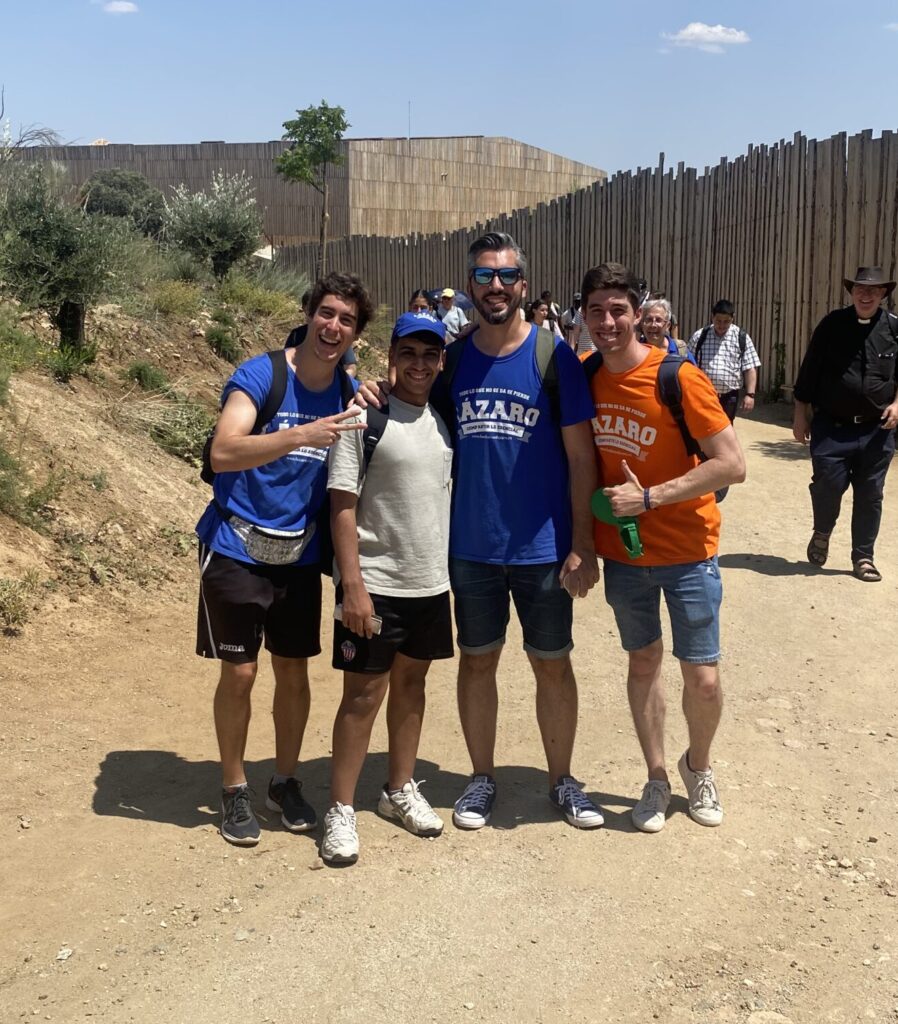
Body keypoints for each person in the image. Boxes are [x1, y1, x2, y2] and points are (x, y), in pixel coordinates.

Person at [196, 272, 372, 846]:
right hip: (235, 546)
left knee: (293, 672)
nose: (333, 327)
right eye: (326, 313)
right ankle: (233, 787)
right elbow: (223, 452)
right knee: (241, 672)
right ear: (308, 314)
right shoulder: (262, 375)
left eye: (346, 320)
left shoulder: (349, 391)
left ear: (356, 334)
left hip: (297, 554)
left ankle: (284, 781)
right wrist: (301, 435)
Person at [580, 262, 745, 833]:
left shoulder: (678, 377)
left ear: (638, 313)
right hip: (625, 556)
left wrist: (650, 497)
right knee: (643, 662)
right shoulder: (584, 375)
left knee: (703, 678)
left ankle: (698, 766)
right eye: (596, 310)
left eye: (618, 310)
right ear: (583, 316)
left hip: (689, 551)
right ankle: (655, 777)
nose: (607, 321)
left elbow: (732, 464)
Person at [320, 311, 454, 864]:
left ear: (441, 362)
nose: (419, 365)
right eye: (409, 354)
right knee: (362, 697)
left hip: (429, 583)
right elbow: (342, 505)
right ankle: (340, 808)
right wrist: (352, 585)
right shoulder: (363, 417)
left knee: (412, 687)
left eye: (430, 355)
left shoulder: (442, 419)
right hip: (374, 584)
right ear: (391, 357)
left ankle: (399, 788)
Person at [792, 266, 898, 582]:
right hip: (832, 427)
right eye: (860, 289)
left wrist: (897, 404)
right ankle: (822, 531)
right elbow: (809, 370)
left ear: (883, 294)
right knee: (828, 484)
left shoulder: (894, 329)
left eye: (873, 290)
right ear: (851, 292)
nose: (866, 295)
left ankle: (863, 557)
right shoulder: (832, 325)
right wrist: (800, 413)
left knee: (870, 494)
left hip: (877, 430)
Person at [688, 300, 761, 422]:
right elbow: (687, 364)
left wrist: (750, 395)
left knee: (726, 427)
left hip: (729, 397)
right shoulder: (700, 336)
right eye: (718, 321)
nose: (721, 325)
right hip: (703, 395)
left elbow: (750, 368)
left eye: (726, 321)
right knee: (703, 426)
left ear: (732, 318)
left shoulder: (741, 337)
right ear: (712, 317)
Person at [640, 297, 695, 363]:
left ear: (668, 325)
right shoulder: (634, 351)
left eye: (658, 320)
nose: (653, 325)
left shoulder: (680, 351)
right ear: (642, 324)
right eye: (649, 320)